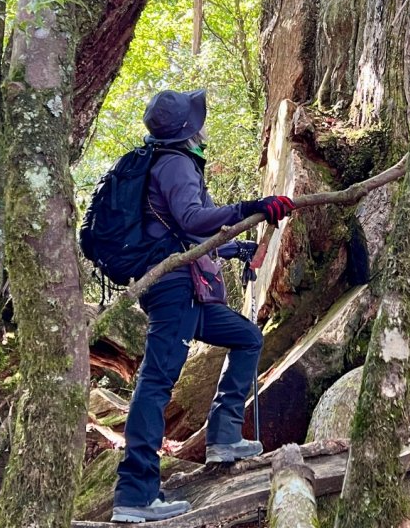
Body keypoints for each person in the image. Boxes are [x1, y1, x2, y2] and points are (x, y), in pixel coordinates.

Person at [111, 89, 296, 524]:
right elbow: (193, 218)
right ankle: (135, 495)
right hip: (175, 291)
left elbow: (182, 231)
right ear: (185, 130)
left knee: (248, 338)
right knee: (155, 386)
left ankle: (224, 436)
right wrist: (251, 206)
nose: (203, 126)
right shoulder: (175, 163)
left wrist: (233, 251)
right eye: (197, 121)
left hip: (187, 289)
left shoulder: (167, 160)